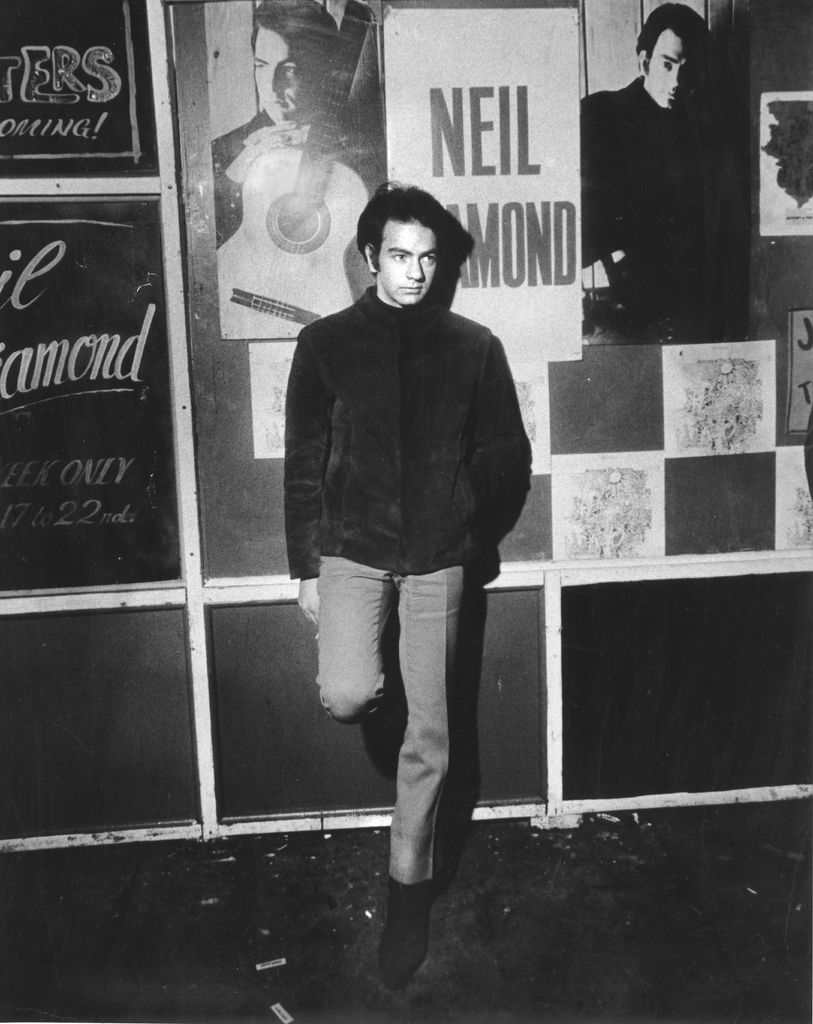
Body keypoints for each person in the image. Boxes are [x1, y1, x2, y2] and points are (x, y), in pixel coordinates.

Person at [284, 183, 531, 989]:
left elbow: (506, 454)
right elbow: (303, 461)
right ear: (369, 257)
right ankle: (381, 680)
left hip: (439, 560)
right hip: (352, 552)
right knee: (348, 693)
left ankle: (407, 892)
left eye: (427, 259)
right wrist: (305, 565)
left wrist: (465, 521)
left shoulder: (473, 346)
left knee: (432, 735)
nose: (415, 272)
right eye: (399, 256)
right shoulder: (324, 343)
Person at [580, 3, 749, 344]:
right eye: (667, 64)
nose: (676, 82)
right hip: (615, 312)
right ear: (644, 62)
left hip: (691, 314)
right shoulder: (598, 115)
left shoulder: (705, 137)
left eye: (688, 71)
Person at [211, 0, 339, 250]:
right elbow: (202, 245)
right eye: (261, 66)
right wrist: (240, 169)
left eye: (288, 69)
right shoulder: (221, 152)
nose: (270, 86)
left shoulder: (354, 148)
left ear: (322, 70)